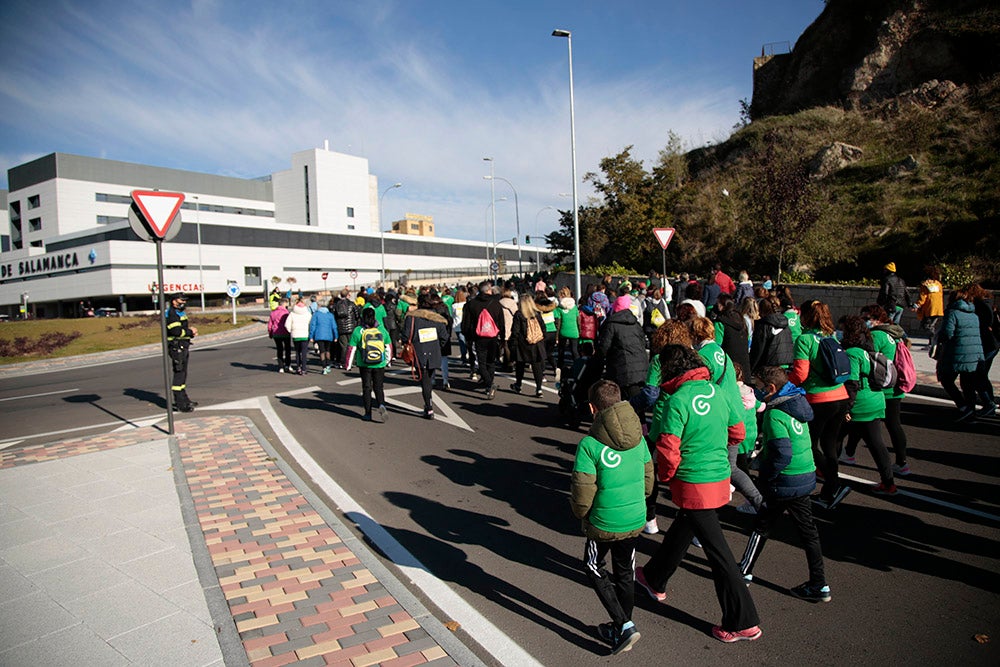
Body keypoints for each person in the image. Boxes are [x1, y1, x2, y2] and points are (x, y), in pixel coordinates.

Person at [635, 345, 762, 644]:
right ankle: (655, 578)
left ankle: (743, 620)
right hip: (717, 476)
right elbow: (738, 431)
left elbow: (667, 449)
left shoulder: (678, 400)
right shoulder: (717, 391)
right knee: (684, 527)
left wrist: (665, 477)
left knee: (720, 555)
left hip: (693, 481)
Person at [570, 380, 653, 655]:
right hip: (633, 517)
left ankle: (624, 624)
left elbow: (583, 490)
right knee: (625, 572)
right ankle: (622, 627)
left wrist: (582, 515)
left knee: (593, 565)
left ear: (593, 408)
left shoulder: (589, 444)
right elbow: (648, 479)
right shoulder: (638, 437)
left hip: (603, 521)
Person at [738, 366, 831, 603]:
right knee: (808, 532)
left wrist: (765, 475)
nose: (756, 391)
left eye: (759, 387)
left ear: (770, 389)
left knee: (762, 526)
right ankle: (819, 583)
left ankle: (745, 570)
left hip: (784, 480)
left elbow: (782, 453)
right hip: (805, 476)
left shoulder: (775, 414)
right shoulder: (797, 406)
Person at [788, 301, 851, 510]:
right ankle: (829, 491)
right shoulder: (830, 336)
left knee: (809, 443)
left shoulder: (804, 340)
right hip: (840, 396)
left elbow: (800, 374)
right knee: (829, 445)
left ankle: (834, 484)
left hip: (818, 399)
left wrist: (784, 384)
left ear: (805, 316)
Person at [838, 315, 897, 494]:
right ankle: (889, 482)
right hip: (876, 400)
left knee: (834, 439)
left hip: (860, 404)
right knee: (877, 444)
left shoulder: (852, 353)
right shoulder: (868, 348)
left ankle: (828, 474)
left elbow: (852, 383)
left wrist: (847, 408)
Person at [862, 304, 912, 476]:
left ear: (877, 320)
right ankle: (901, 461)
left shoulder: (876, 335)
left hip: (883, 387)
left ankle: (899, 463)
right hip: (895, 384)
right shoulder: (894, 333)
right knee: (893, 424)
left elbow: (867, 357)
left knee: (869, 424)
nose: (864, 322)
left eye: (866, 318)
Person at [937, 287, 985, 422]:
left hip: (957, 353)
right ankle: (970, 409)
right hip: (974, 355)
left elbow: (947, 333)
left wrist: (939, 340)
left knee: (946, 379)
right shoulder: (974, 315)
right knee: (968, 383)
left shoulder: (952, 313)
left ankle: (963, 407)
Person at [402, 293, 450, 419]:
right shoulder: (437, 318)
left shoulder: (412, 318)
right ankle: (428, 405)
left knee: (425, 380)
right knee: (428, 378)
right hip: (433, 352)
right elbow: (445, 337)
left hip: (418, 352)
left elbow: (406, 336)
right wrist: (437, 347)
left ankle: (428, 407)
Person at [598, 296, 649, 404]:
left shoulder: (611, 324)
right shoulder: (635, 323)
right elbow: (643, 343)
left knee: (620, 399)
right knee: (635, 400)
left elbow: (604, 348)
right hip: (640, 365)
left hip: (622, 367)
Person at [346, 306, 391, 422]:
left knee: (367, 388)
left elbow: (352, 349)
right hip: (379, 364)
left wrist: (348, 365)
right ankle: (381, 404)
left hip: (364, 364)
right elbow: (388, 346)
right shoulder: (381, 329)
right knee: (379, 387)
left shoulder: (358, 331)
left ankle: (367, 413)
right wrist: (387, 360)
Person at [462, 280, 506, 399]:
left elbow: (466, 323)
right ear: (488, 290)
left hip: (478, 336)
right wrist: (502, 337)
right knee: (491, 361)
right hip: (492, 336)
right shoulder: (496, 303)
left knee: (481, 362)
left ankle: (488, 383)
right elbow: (501, 322)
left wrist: (468, 337)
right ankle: (489, 384)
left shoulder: (472, 304)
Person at [966, 284, 998, 417]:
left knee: (979, 375)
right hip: (991, 344)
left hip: (987, 345)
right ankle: (990, 401)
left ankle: (989, 404)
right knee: (982, 375)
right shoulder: (987, 303)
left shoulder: (980, 305)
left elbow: (986, 324)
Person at [509, 293, 548, 397]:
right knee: (537, 367)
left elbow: (515, 332)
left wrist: (512, 344)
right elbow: (543, 328)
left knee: (520, 365)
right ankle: (539, 389)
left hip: (523, 344)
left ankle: (518, 384)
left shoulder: (519, 315)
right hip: (537, 343)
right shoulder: (537, 314)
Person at [165, 292, 198, 412]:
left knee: (183, 373)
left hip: (182, 345)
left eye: (184, 300)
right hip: (176, 347)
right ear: (174, 301)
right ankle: (180, 404)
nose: (183, 303)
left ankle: (184, 399)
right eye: (181, 300)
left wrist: (190, 333)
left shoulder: (179, 312)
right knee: (179, 374)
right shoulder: (172, 314)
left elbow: (181, 330)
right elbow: (176, 331)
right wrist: (190, 331)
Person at [749, 297, 794, 374]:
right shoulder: (785, 324)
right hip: (787, 363)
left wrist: (751, 368)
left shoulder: (764, 325)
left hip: (770, 365)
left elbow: (758, 349)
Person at [913, 265, 944, 341]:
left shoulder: (925, 284)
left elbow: (922, 298)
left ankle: (934, 339)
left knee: (926, 326)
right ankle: (931, 342)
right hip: (938, 309)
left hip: (929, 309)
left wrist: (917, 305)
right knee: (932, 325)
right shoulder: (939, 284)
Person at [554, 287, 581, 375]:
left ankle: (559, 368)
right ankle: (578, 367)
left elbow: (558, 323)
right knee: (574, 351)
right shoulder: (574, 307)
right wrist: (579, 332)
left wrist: (556, 337)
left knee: (561, 351)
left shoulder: (559, 308)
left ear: (562, 295)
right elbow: (578, 321)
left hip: (563, 331)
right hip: (574, 331)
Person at [877, 262, 913, 326]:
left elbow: (885, 293)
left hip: (891, 305)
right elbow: (906, 293)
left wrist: (881, 302)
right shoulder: (901, 280)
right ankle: (900, 335)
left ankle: (904, 336)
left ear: (888, 270)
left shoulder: (887, 279)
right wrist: (910, 303)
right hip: (901, 306)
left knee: (888, 324)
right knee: (896, 325)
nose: (884, 271)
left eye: (885, 270)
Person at [308, 298, 338, 375]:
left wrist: (311, 336)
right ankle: (328, 364)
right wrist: (336, 336)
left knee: (322, 351)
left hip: (319, 335)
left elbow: (312, 326)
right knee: (328, 350)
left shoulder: (316, 314)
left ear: (319, 306)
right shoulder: (330, 315)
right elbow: (334, 326)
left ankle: (324, 367)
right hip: (329, 335)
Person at [333, 289, 359, 370]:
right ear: (348, 295)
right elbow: (357, 315)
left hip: (340, 328)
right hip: (351, 327)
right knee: (352, 345)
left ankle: (343, 361)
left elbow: (334, 316)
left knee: (343, 346)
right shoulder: (351, 304)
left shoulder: (337, 305)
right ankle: (352, 361)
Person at [287, 298, 312, 375]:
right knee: (304, 352)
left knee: (297, 352)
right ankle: (304, 369)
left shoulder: (292, 314)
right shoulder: (308, 313)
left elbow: (287, 324)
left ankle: (298, 367)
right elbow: (311, 324)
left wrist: (291, 331)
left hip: (296, 335)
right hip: (305, 335)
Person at [267, 297, 292, 373]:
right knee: (287, 349)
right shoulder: (286, 313)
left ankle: (281, 366)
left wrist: (270, 333)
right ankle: (288, 365)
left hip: (276, 334)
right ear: (284, 303)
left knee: (279, 349)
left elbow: (270, 325)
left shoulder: (273, 313)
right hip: (285, 333)